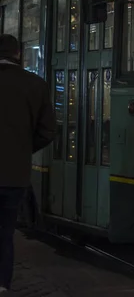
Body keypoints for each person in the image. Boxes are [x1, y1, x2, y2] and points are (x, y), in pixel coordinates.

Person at [0, 34, 56, 293]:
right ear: (19, 54)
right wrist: (22, 149)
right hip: (14, 176)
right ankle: (2, 285)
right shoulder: (36, 85)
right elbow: (47, 131)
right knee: (4, 234)